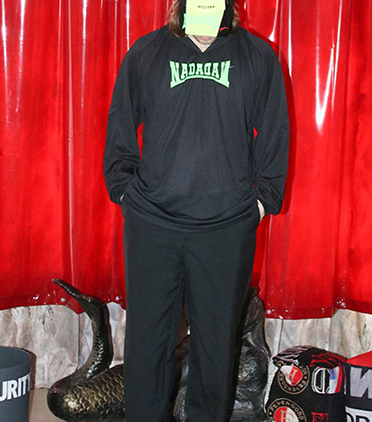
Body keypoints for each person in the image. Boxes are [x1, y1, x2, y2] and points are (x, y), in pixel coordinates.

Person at [103, 0, 289, 420]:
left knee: (215, 345)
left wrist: (261, 203)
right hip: (152, 223)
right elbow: (120, 123)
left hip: (226, 226)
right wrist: (124, 192)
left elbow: (275, 133)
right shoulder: (147, 52)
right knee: (148, 342)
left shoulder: (257, 57)